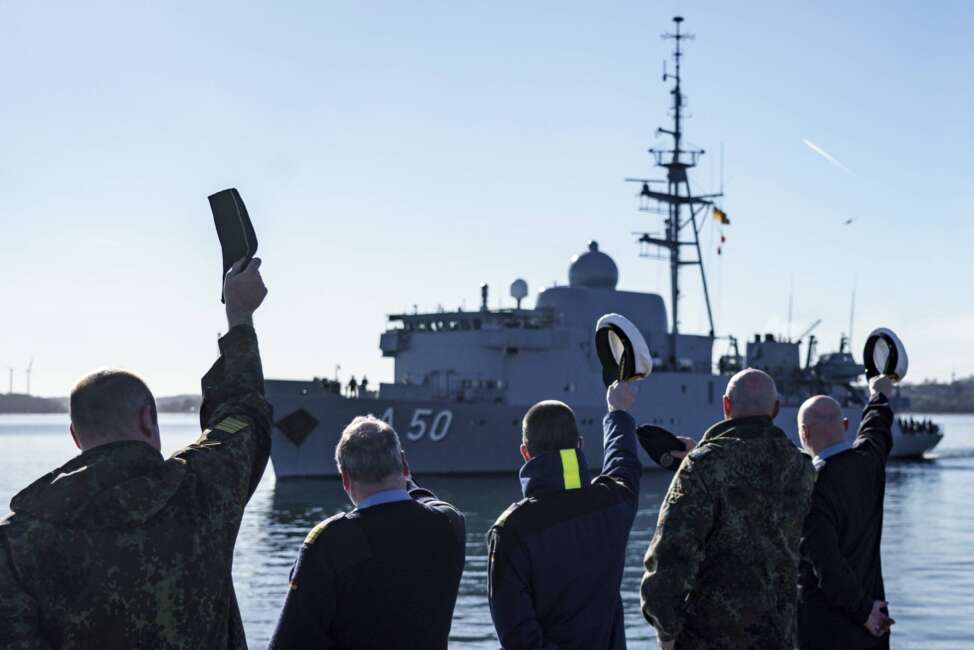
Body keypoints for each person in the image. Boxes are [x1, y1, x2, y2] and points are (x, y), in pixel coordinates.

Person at [0, 257, 270, 649]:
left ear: (75, 435)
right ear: (148, 419)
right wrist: (239, 315)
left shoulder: (16, 542)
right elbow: (244, 411)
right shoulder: (203, 489)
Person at [641, 368, 817, 649]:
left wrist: (666, 630)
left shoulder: (703, 467)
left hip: (709, 639)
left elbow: (669, 557)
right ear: (775, 409)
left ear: (725, 405)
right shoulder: (802, 467)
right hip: (777, 637)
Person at [268, 415, 465, 650]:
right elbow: (428, 502)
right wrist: (405, 478)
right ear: (404, 465)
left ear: (345, 479)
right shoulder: (449, 524)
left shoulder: (330, 544)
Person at [487, 380, 642, 649]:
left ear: (526, 453)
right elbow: (623, 463)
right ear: (579, 444)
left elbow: (518, 637)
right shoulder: (611, 503)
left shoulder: (510, 530)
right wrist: (617, 412)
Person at [796, 375, 897, 649]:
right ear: (844, 425)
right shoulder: (869, 461)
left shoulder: (809, 486)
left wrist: (863, 610)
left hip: (826, 632)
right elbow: (876, 429)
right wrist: (878, 395)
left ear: (803, 433)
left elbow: (827, 565)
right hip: (874, 628)